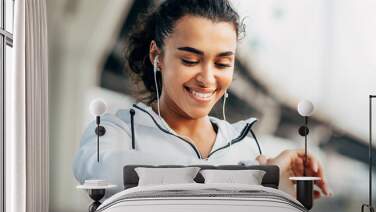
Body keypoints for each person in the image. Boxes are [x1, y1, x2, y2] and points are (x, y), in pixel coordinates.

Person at [73, 0, 330, 199]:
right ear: (157, 56)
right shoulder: (114, 131)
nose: (207, 79)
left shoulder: (249, 146)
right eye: (190, 60)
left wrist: (280, 189)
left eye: (222, 63)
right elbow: (106, 175)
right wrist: (255, 176)